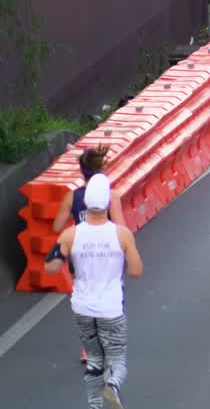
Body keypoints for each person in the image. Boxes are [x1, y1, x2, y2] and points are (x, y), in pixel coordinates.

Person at [46, 174, 143, 409]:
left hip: (82, 308)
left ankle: (95, 406)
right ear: (109, 203)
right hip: (111, 308)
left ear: (85, 204)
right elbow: (136, 271)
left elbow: (52, 267)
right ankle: (112, 385)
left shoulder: (71, 235)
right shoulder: (122, 235)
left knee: (94, 359)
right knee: (116, 358)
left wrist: (63, 255)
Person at [52, 145, 125, 365]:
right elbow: (121, 227)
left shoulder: (71, 197)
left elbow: (57, 227)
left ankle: (89, 349)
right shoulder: (111, 196)